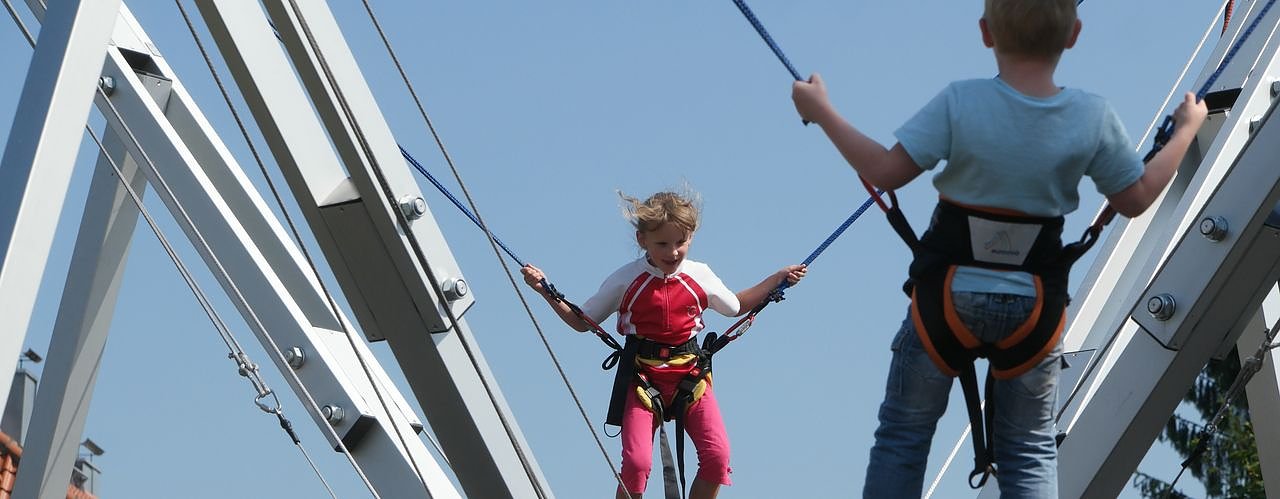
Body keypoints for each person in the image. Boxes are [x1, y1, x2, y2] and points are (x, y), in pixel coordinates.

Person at [790, 0, 1208, 497]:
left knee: (903, 436)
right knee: (1029, 449)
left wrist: (822, 111)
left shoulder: (960, 102)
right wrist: (1185, 131)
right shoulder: (1090, 116)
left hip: (945, 299)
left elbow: (885, 172)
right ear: (1074, 34)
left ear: (986, 32)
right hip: (1034, 306)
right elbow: (1135, 198)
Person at [521, 190, 806, 499]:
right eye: (662, 244)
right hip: (642, 379)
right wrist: (545, 290)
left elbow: (736, 306)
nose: (672, 252)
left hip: (690, 377)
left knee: (717, 458)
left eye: (680, 242)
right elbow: (582, 321)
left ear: (691, 237)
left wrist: (777, 279)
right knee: (637, 465)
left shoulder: (699, 275)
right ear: (642, 240)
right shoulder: (626, 280)